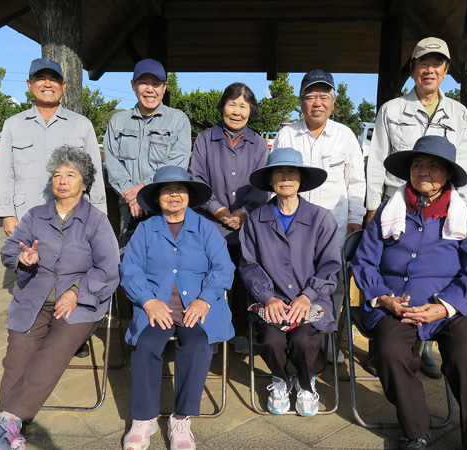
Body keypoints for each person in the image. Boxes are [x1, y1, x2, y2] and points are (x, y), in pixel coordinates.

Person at [351, 136, 467, 450]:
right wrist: (385, 298)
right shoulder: (390, 209)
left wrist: (444, 307)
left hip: (449, 308)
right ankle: (416, 431)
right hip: (396, 306)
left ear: (448, 175)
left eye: (433, 165)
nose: (423, 171)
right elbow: (364, 262)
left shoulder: (464, 216)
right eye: (418, 164)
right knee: (390, 352)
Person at [0, 147, 120, 450]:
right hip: (34, 298)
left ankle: (5, 425)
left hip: (80, 304)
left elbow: (108, 269)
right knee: (17, 357)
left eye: (71, 175)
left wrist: (76, 291)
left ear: (84, 184)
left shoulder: (96, 221)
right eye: (57, 174)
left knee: (52, 354)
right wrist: (23, 258)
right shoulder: (35, 215)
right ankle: (10, 429)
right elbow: (9, 249)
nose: (62, 180)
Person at [365, 37, 467, 378]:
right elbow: (375, 161)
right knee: (391, 269)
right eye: (422, 63)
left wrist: (461, 212)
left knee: (432, 273)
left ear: (445, 71)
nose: (429, 70)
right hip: (397, 205)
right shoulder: (392, 109)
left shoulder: (458, 113)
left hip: (443, 208)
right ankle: (385, 346)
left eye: (437, 64)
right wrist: (373, 207)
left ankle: (425, 344)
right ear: (413, 69)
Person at [0, 56, 107, 358]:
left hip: (72, 217)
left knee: (72, 268)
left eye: (53, 79)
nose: (47, 84)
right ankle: (33, 329)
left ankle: (72, 331)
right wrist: (7, 212)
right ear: (30, 85)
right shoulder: (13, 125)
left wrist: (100, 220)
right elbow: (4, 170)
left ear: (64, 86)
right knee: (32, 273)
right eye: (40, 79)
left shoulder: (81, 125)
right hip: (29, 217)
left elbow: (93, 174)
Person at [120, 166, 234, 450]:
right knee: (146, 347)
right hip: (155, 308)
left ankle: (181, 419)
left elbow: (223, 268)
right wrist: (147, 300)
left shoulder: (206, 228)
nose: (174, 195)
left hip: (198, 307)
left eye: (180, 189)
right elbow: (130, 270)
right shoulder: (146, 229)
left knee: (196, 345)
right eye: (167, 190)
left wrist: (204, 299)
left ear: (189, 196)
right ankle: (143, 419)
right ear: (157, 198)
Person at [239, 148, 341, 416]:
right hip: (270, 300)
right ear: (271, 181)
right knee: (271, 341)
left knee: (303, 340)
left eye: (292, 172)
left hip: (311, 299)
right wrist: (267, 297)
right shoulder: (256, 220)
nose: (286, 178)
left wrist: (308, 296)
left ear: (301, 180)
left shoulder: (321, 218)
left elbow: (330, 266)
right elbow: (249, 265)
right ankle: (281, 379)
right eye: (279, 173)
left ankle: (306, 385)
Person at [188, 82, 270, 354]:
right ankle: (207, 330)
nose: (236, 111)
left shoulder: (258, 144)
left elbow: (263, 184)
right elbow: (196, 178)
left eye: (243, 106)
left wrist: (243, 211)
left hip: (246, 228)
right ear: (223, 106)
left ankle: (237, 330)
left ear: (251, 111)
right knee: (207, 278)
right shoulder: (205, 139)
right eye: (232, 104)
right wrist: (218, 210)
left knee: (240, 280)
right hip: (210, 226)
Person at [104, 59, 192, 252]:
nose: (150, 89)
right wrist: (132, 196)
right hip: (130, 207)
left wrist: (145, 191)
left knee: (165, 260)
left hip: (165, 204)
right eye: (144, 83)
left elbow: (177, 162)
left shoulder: (178, 120)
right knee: (128, 259)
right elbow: (112, 162)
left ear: (165, 87)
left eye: (156, 84)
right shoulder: (118, 121)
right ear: (133, 85)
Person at [272, 69, 365, 246]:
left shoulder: (345, 135)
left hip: (334, 228)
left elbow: (356, 181)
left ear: (332, 102)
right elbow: (273, 183)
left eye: (324, 97)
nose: (317, 103)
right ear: (301, 102)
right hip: (292, 229)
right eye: (310, 97)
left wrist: (355, 218)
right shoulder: (286, 136)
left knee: (332, 272)